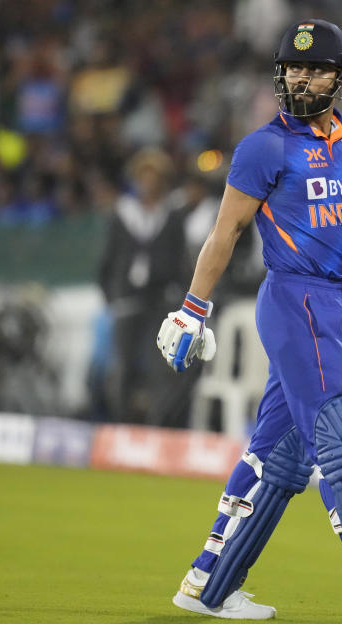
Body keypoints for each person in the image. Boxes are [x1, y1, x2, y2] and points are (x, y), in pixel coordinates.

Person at [155, 19, 342, 624]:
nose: (301, 76)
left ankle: (208, 583)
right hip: (295, 301)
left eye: (315, 68)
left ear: (339, 77)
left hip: (335, 302)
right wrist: (192, 309)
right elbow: (226, 232)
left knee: (281, 456)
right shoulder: (264, 146)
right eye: (292, 66)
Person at [98, 147, 195, 426]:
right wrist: (110, 295)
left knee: (159, 366)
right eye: (145, 176)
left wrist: (182, 296)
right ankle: (120, 422)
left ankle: (155, 425)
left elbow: (180, 260)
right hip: (127, 298)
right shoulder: (123, 213)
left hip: (161, 299)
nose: (149, 183)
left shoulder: (172, 216)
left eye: (156, 178)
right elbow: (109, 257)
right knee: (124, 365)